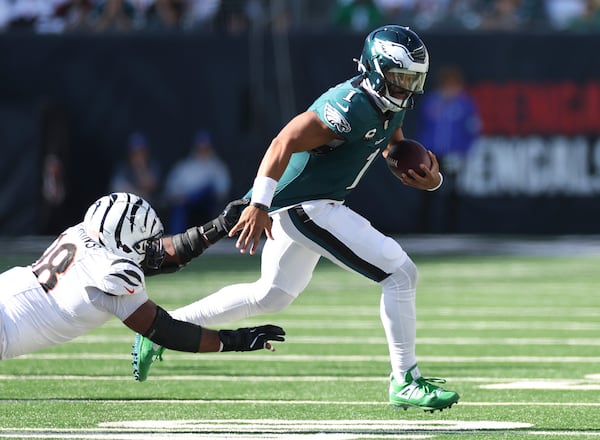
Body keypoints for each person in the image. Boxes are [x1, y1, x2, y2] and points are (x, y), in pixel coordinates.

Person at [132, 25, 459, 412]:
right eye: (401, 78)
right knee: (400, 274)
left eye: (413, 80)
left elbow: (390, 144)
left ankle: (160, 328)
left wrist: (429, 177)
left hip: (312, 204)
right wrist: (258, 203)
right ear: (376, 69)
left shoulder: (390, 101)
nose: (407, 88)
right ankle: (405, 379)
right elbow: (283, 141)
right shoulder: (348, 105)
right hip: (307, 204)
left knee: (271, 295)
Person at [0, 192, 285, 375]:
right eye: (145, 243)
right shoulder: (112, 274)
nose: (152, 248)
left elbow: (161, 256)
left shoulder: (81, 233)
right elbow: (164, 330)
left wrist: (219, 226)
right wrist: (237, 341)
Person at [415, 64, 481, 232]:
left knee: (453, 192)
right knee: (428, 190)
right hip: (432, 154)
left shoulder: (465, 104)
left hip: (454, 154)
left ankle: (451, 229)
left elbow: (472, 130)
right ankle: (425, 229)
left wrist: (463, 152)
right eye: (447, 84)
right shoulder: (432, 101)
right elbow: (423, 127)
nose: (450, 88)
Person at [162, 130, 231, 234]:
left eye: (206, 148)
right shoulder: (185, 166)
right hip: (186, 206)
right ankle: (176, 239)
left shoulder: (217, 167)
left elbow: (222, 192)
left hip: (207, 206)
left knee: (208, 188)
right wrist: (184, 197)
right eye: (201, 148)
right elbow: (170, 190)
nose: (203, 151)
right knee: (179, 207)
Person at [110, 132, 162, 205]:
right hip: (125, 207)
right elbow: (116, 190)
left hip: (147, 209)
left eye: (141, 152)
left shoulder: (152, 166)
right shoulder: (123, 168)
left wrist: (141, 168)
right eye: (135, 153)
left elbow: (151, 187)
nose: (138, 156)